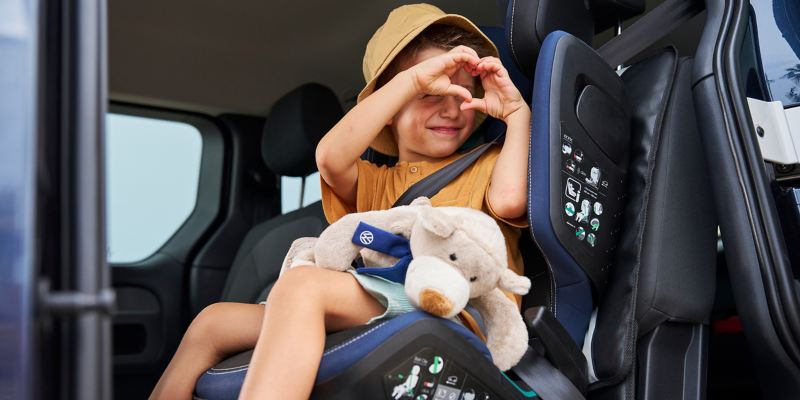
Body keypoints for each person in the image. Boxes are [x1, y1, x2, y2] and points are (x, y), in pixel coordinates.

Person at [149, 4, 530, 399]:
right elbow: (330, 158)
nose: (452, 107)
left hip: (456, 306)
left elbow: (508, 201)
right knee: (212, 322)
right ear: (389, 104)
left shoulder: (487, 164)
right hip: (388, 297)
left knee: (304, 287)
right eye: (432, 93)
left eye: (466, 91)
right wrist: (413, 80)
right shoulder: (375, 182)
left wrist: (517, 114)